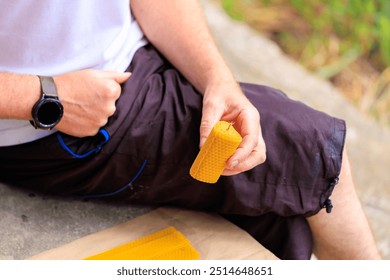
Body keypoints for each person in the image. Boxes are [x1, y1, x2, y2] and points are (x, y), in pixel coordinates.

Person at [0, 0, 381, 260]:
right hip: (50, 122)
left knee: (281, 225)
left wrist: (218, 80)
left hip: (131, 58)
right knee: (310, 150)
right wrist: (45, 96)